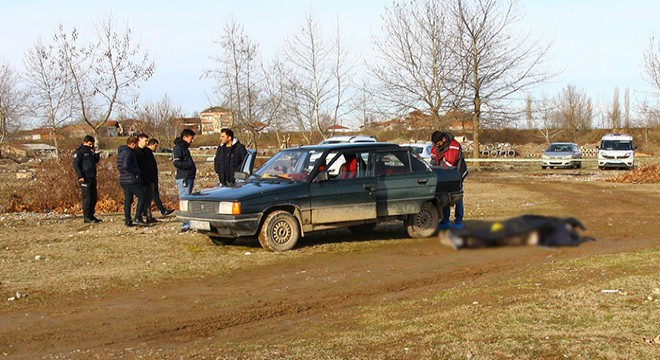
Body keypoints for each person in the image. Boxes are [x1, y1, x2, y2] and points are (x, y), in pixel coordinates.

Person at [431, 131, 468, 230]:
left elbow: (450, 164)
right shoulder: (436, 146)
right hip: (444, 174)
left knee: (457, 197)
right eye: (435, 144)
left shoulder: (454, 146)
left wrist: (439, 172)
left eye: (438, 144)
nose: (436, 146)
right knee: (444, 196)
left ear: (443, 139)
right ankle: (445, 220)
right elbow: (433, 159)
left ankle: (458, 221)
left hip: (457, 174)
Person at [117, 137, 148, 227]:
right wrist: (135, 170)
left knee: (128, 199)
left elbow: (120, 165)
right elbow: (126, 165)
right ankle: (138, 217)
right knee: (142, 196)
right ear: (133, 144)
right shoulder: (129, 152)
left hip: (123, 179)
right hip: (131, 179)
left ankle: (128, 219)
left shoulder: (121, 152)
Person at [72, 135, 101, 224]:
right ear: (85, 142)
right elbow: (75, 164)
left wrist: (97, 154)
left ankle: (91, 216)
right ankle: (86, 217)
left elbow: (95, 161)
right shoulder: (79, 152)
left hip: (92, 177)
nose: (91, 146)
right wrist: (80, 176)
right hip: (84, 178)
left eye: (92, 144)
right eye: (89, 144)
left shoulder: (91, 151)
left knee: (93, 198)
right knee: (87, 198)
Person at [172, 129, 196, 232]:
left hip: (188, 177)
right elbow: (176, 162)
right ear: (185, 137)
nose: (192, 140)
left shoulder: (185, 148)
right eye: (191, 138)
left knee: (187, 201)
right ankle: (184, 225)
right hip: (184, 178)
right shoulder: (179, 148)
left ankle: (187, 223)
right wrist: (189, 165)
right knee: (184, 201)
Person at [146, 138, 175, 217]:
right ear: (151, 145)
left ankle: (155, 212)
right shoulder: (147, 153)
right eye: (155, 146)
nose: (156, 148)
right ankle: (161, 210)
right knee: (152, 195)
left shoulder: (148, 153)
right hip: (150, 178)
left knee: (153, 195)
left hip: (152, 177)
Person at [134, 133, 153, 222]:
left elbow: (152, 164)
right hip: (140, 180)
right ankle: (139, 216)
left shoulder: (148, 151)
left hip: (149, 178)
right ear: (139, 140)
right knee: (141, 198)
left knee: (148, 198)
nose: (147, 142)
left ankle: (149, 216)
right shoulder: (135, 152)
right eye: (145, 140)